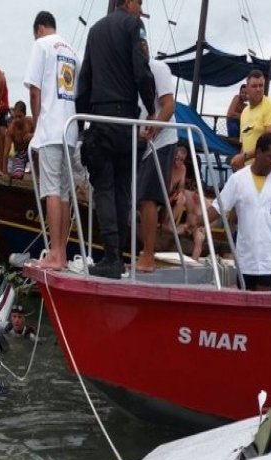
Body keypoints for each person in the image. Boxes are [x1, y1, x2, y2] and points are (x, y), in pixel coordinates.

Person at [77, 0, 156, 278]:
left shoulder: (95, 31)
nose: (141, 7)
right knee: (122, 188)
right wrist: (152, 110)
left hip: (100, 119)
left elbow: (84, 79)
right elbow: (141, 70)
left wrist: (81, 123)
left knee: (105, 189)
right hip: (126, 121)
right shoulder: (134, 25)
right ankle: (118, 258)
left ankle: (111, 257)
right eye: (140, 2)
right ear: (129, 2)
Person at [206, 133, 271, 291]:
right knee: (245, 300)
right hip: (245, 257)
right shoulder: (238, 179)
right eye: (269, 157)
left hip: (269, 257)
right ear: (258, 153)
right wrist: (197, 222)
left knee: (262, 301)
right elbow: (219, 207)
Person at [24, 10, 79, 270]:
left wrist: (36, 124)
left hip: (50, 128)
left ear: (39, 28)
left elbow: (35, 91)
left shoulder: (41, 45)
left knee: (51, 190)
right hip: (70, 130)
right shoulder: (71, 50)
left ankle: (55, 253)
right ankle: (64, 254)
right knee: (65, 192)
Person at [135, 53, 178, 273]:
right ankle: (140, 251)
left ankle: (148, 255)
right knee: (138, 198)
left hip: (160, 141)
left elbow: (169, 106)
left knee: (147, 197)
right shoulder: (128, 69)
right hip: (140, 143)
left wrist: (154, 129)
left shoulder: (158, 68)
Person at [230, 70, 271, 173]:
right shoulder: (244, 112)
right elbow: (244, 144)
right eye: (254, 86)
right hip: (250, 172)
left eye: (261, 85)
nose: (258, 89)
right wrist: (240, 163)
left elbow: (270, 143)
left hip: (269, 173)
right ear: (247, 89)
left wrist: (244, 157)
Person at [2, 101, 35, 179]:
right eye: (15, 117)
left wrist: (32, 135)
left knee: (39, 154)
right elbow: (6, 152)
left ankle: (37, 175)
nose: (17, 120)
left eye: (20, 117)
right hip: (20, 155)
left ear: (25, 114)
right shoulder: (11, 130)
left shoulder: (31, 122)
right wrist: (5, 172)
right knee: (17, 175)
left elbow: (42, 134)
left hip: (32, 151)